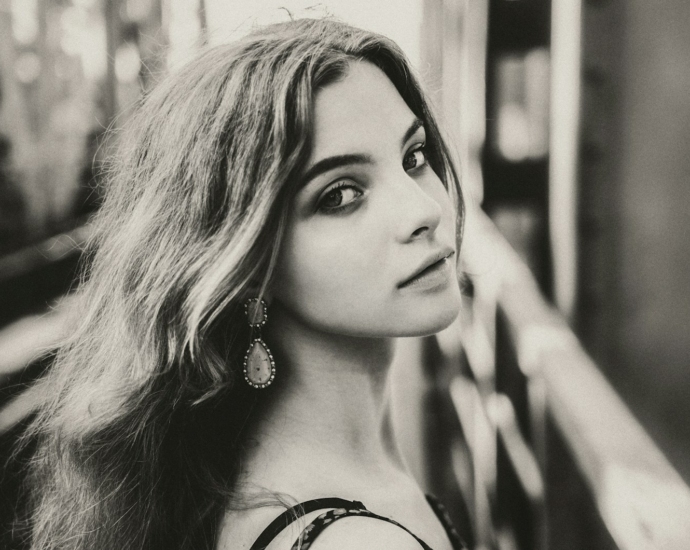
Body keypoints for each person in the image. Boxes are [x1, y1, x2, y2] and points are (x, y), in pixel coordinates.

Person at [21, 18, 467, 550]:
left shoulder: (240, 479)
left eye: (413, 158)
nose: (423, 210)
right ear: (246, 261)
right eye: (340, 195)